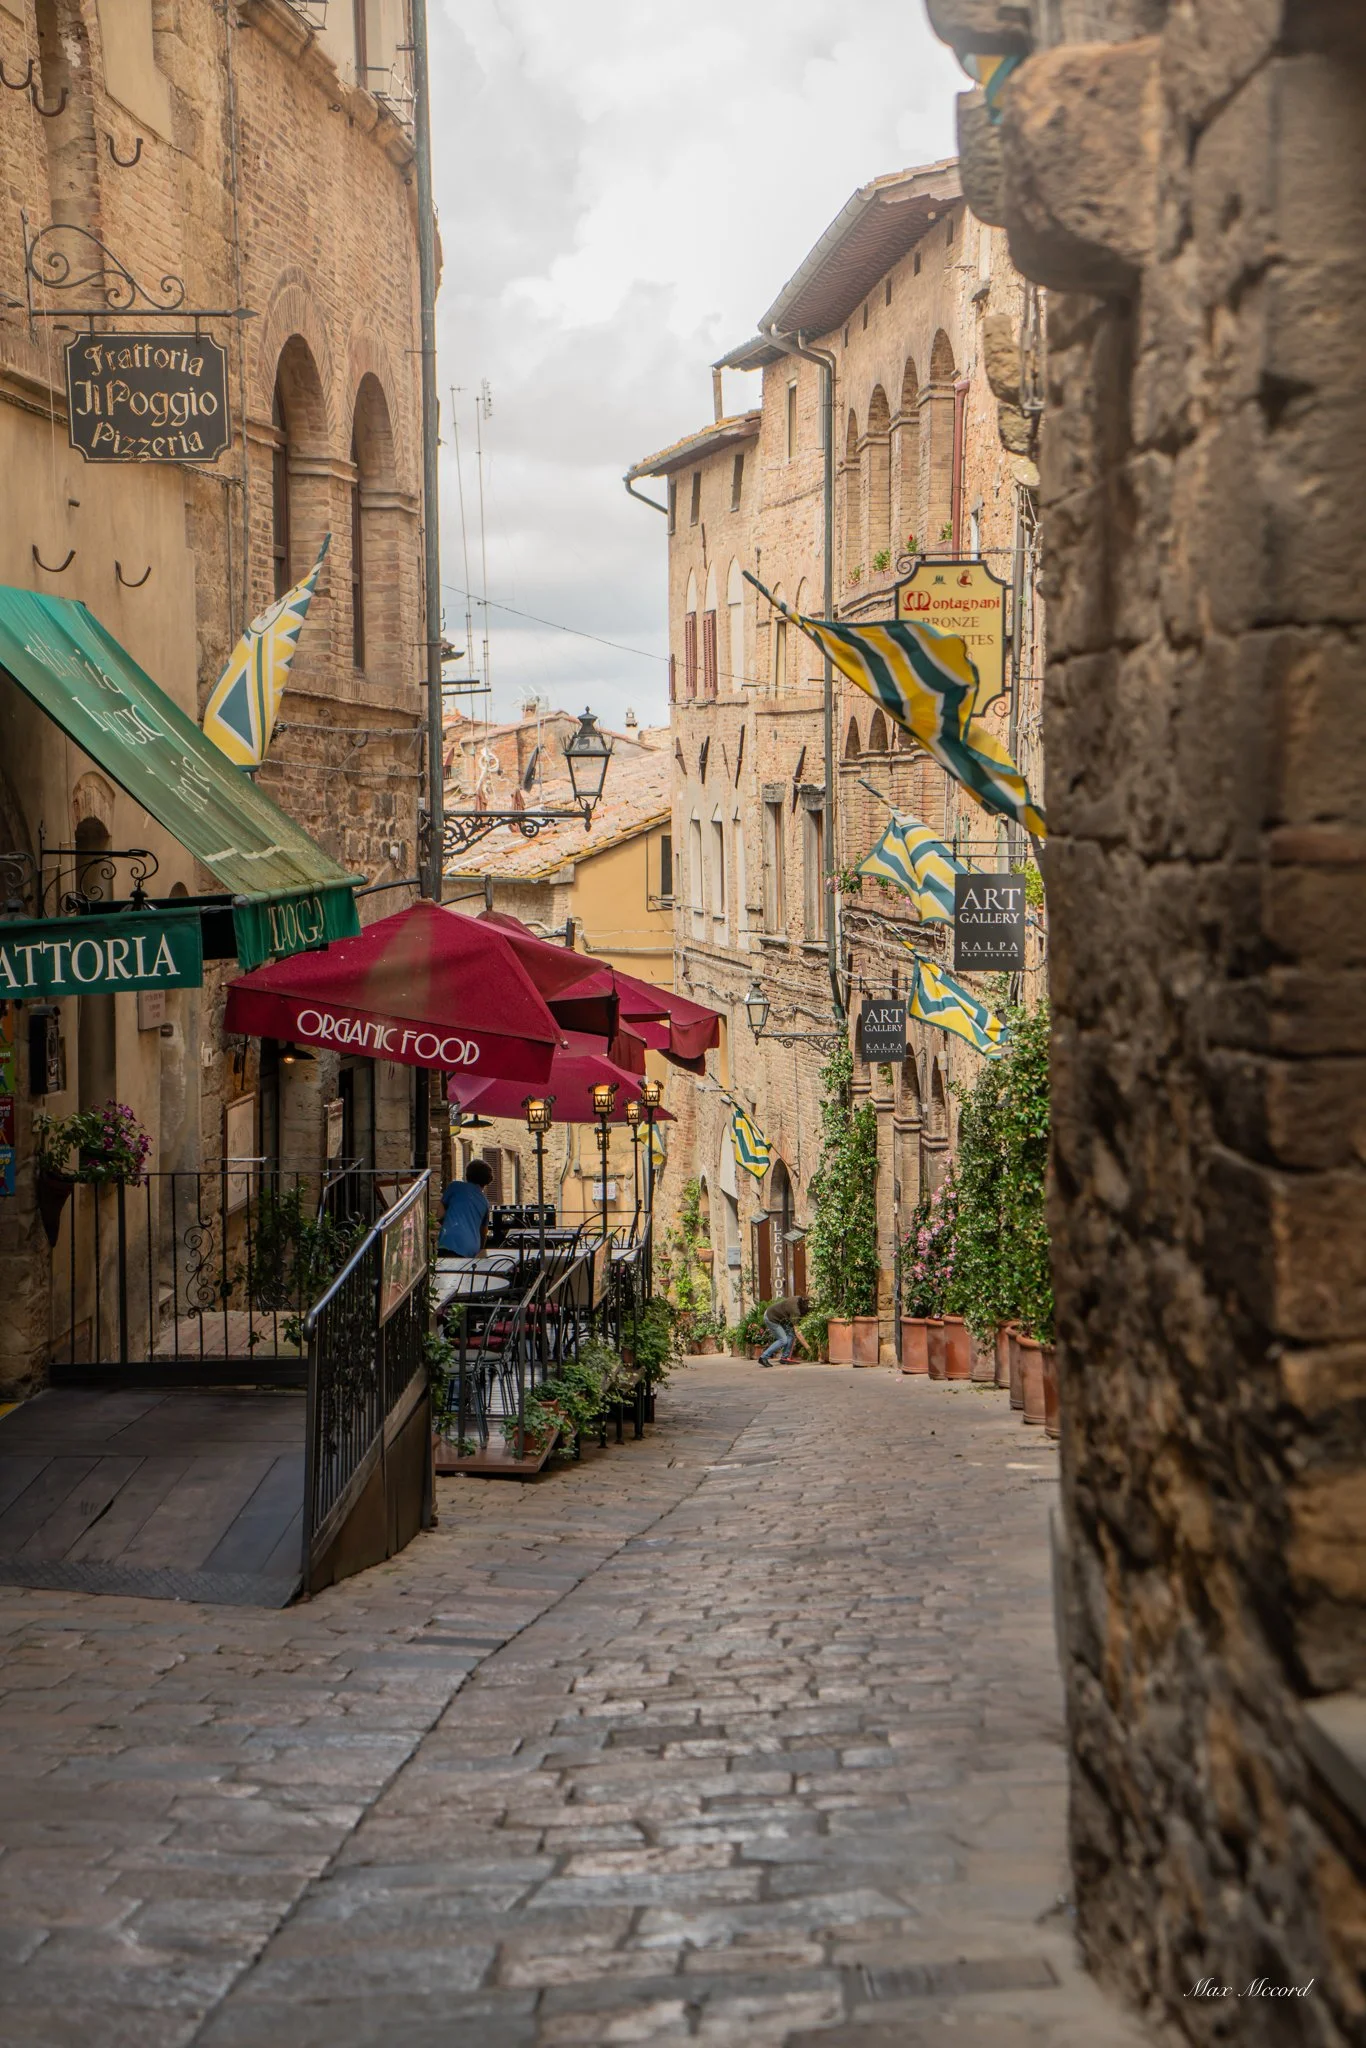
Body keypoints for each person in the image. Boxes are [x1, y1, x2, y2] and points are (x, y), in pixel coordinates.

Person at [438, 1159, 494, 1257]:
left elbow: (440, 1210)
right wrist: (480, 1250)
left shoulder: (455, 1186)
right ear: (487, 1181)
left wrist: (444, 1220)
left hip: (449, 1242)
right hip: (471, 1248)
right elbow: (483, 1232)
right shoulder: (485, 1203)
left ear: (467, 1175)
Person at [758, 1294, 810, 1367]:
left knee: (791, 1334)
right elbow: (798, 1333)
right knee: (783, 1340)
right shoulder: (795, 1311)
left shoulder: (798, 1299)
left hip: (779, 1317)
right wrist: (809, 1349)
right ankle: (763, 1357)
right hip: (771, 1318)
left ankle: (785, 1358)